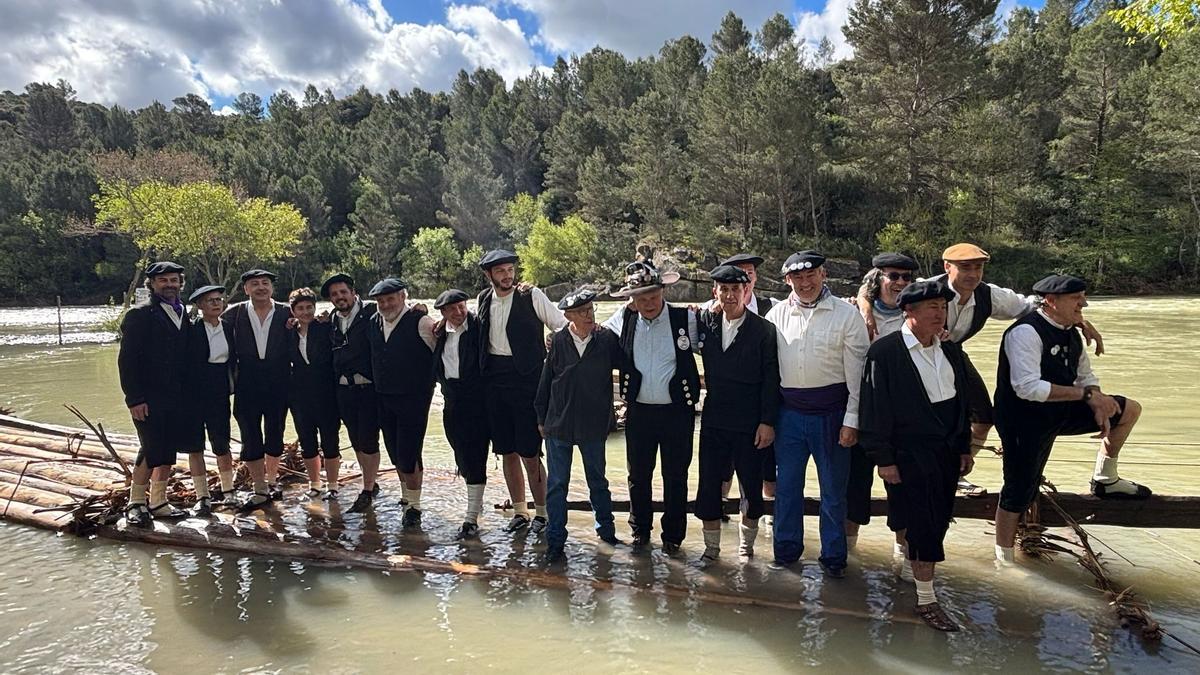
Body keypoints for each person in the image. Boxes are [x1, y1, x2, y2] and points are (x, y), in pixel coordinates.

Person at [916, 243, 1104, 498]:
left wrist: (1078, 318)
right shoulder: (926, 289)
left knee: (983, 418)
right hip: (916, 357)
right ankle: (921, 474)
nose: (973, 274)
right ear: (947, 267)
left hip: (952, 355)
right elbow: (883, 294)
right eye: (965, 267)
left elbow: (1034, 305)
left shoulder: (988, 295)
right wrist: (864, 303)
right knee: (925, 419)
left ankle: (953, 473)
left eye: (978, 267)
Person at [992, 274, 1151, 564]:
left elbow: (1085, 377)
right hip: (1023, 420)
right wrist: (1086, 397)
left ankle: (1105, 478)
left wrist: (1099, 402)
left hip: (1060, 409)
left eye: (1084, 297)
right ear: (1050, 302)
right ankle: (1004, 559)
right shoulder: (1025, 333)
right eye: (1076, 299)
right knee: (1018, 489)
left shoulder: (1071, 331)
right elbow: (1027, 388)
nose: (1084, 304)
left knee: (1127, 410)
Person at [860, 280, 974, 631]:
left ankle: (912, 571)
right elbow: (874, 408)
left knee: (936, 518)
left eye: (943, 308)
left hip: (945, 451)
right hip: (907, 452)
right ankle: (927, 600)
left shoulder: (950, 349)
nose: (940, 314)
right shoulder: (886, 353)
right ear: (908, 312)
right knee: (923, 522)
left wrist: (965, 446)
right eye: (932, 308)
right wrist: (884, 459)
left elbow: (962, 402)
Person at [766, 250, 869, 577]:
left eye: (811, 275)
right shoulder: (775, 316)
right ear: (788, 280)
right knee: (787, 489)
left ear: (824, 275)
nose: (805, 282)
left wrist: (852, 420)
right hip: (789, 416)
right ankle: (785, 553)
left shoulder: (846, 315)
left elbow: (858, 375)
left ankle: (834, 559)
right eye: (798, 277)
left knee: (834, 492)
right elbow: (768, 372)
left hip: (833, 415)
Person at [602, 260, 701, 553]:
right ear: (632, 299)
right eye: (641, 298)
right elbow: (593, 334)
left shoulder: (687, 320)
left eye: (653, 296)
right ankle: (640, 531)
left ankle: (673, 537)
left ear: (663, 291)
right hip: (640, 411)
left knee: (676, 476)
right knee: (638, 475)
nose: (648, 303)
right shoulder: (623, 320)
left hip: (677, 412)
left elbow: (718, 334)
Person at [476, 250, 567, 534]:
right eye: (500, 271)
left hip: (527, 381)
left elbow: (562, 324)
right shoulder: (482, 299)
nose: (507, 276)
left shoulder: (532, 296)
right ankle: (520, 512)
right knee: (506, 452)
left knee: (530, 452)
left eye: (510, 270)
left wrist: (553, 340)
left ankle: (543, 513)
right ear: (488, 275)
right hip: (493, 381)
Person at [693, 265, 779, 565]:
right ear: (715, 292)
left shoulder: (764, 330)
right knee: (708, 485)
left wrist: (768, 422)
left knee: (751, 488)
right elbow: (671, 317)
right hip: (714, 417)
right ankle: (711, 548)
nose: (730, 295)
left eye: (736, 290)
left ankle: (746, 547)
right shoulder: (705, 322)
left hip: (750, 420)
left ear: (746, 291)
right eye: (723, 289)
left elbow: (771, 379)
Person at [535, 288, 624, 563]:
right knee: (557, 484)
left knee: (598, 481)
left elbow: (630, 363)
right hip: (559, 424)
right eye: (582, 312)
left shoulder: (606, 339)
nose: (589, 316)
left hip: (593, 425)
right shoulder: (558, 342)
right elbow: (546, 383)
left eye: (591, 310)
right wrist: (540, 419)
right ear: (568, 316)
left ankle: (607, 533)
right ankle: (555, 542)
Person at [847, 252, 917, 576]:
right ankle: (849, 554)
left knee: (902, 491)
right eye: (894, 276)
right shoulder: (853, 312)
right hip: (860, 410)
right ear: (879, 279)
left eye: (906, 277)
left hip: (901, 416)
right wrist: (863, 303)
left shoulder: (915, 313)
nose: (900, 283)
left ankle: (901, 556)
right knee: (854, 488)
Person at [118, 261, 191, 525]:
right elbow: (127, 361)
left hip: (177, 396)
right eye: (164, 281)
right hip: (148, 397)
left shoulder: (184, 313)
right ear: (152, 284)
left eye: (174, 280)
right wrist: (134, 398)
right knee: (150, 448)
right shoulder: (139, 315)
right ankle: (136, 503)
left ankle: (159, 501)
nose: (170, 285)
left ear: (180, 283)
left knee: (167, 448)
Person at [366, 278, 437, 527]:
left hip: (414, 398)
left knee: (409, 453)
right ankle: (406, 497)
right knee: (395, 451)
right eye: (381, 301)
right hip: (384, 396)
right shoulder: (373, 322)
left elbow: (440, 354)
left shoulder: (422, 321)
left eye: (390, 299)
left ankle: (415, 506)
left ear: (403, 297)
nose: (386, 304)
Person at [713, 253, 780, 504]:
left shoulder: (772, 307)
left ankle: (766, 520)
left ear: (753, 278)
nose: (745, 277)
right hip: (724, 411)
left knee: (765, 468)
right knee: (722, 469)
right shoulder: (711, 315)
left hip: (759, 404)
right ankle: (722, 512)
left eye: (749, 272)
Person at [224, 269, 292, 512]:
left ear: (272, 288)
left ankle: (273, 482)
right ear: (246, 289)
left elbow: (310, 326)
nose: (261, 287)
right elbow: (211, 333)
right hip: (247, 381)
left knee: (275, 432)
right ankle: (259, 488)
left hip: (279, 380)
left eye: (265, 283)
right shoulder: (234, 313)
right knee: (250, 435)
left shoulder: (287, 311)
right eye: (255, 284)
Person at [322, 273, 382, 513]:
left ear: (353, 293)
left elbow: (396, 313)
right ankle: (371, 481)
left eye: (343, 292)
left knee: (369, 440)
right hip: (344, 390)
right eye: (335, 295)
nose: (340, 297)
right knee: (356, 438)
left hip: (369, 388)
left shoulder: (371, 313)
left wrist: (417, 310)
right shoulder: (332, 320)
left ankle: (367, 489)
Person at [433, 289, 491, 538]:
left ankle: (470, 518)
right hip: (452, 401)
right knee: (461, 456)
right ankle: (476, 503)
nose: (459, 312)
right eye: (452, 309)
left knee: (476, 456)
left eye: (461, 306)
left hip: (478, 401)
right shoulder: (439, 333)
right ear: (443, 312)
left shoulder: (479, 326)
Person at [183, 284, 237, 514]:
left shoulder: (228, 327)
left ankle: (228, 491)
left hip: (219, 389)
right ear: (200, 306)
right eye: (210, 301)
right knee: (195, 445)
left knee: (221, 442)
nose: (216, 303)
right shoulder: (190, 329)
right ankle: (202, 496)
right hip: (193, 391)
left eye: (219, 300)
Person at [287, 287, 342, 499]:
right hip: (300, 396)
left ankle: (333, 486)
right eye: (300, 308)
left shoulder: (325, 327)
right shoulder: (289, 331)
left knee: (330, 441)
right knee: (307, 442)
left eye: (309, 307)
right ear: (293, 311)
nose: (306, 312)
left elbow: (342, 317)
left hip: (326, 393)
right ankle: (315, 484)